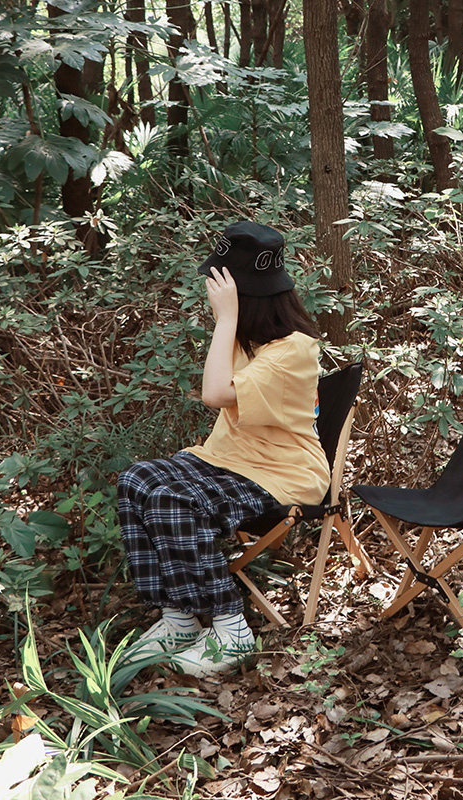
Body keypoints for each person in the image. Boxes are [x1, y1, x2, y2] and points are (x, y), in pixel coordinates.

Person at [117, 221, 329, 678]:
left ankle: (231, 628)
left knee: (172, 500)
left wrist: (225, 319)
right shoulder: (249, 338)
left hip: (283, 474)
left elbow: (214, 394)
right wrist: (229, 325)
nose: (211, 294)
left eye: (220, 286)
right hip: (228, 461)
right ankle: (179, 619)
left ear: (244, 295)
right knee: (137, 480)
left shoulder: (294, 349)